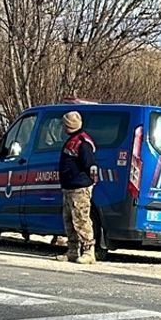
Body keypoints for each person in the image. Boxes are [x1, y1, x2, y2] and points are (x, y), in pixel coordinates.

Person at [59, 111, 98, 264]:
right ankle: (73, 250)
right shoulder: (72, 140)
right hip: (69, 188)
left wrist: (88, 185)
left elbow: (90, 165)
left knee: (81, 219)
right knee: (69, 220)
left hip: (80, 188)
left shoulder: (82, 142)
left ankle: (89, 251)